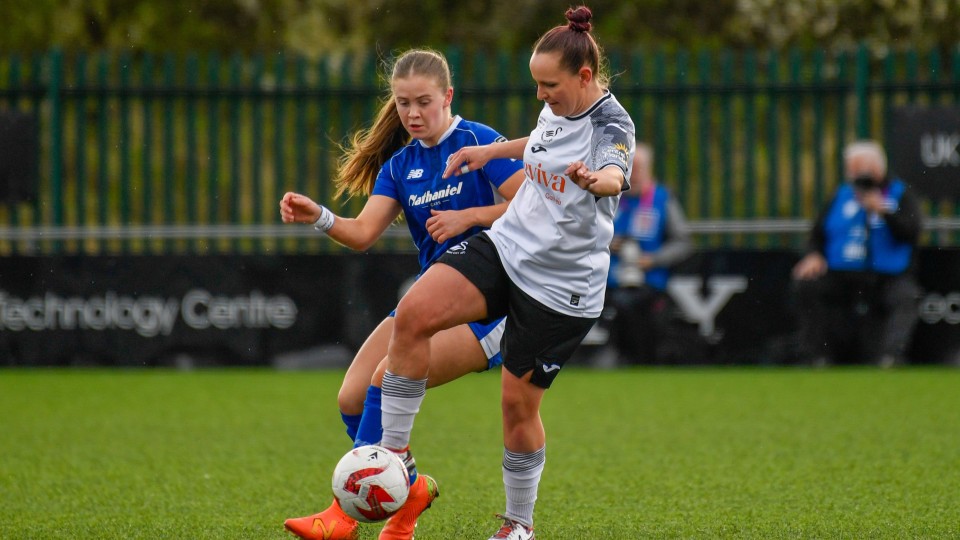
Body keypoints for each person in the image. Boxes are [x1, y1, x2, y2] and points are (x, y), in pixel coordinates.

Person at [375, 7, 635, 539]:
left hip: (561, 288)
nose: (541, 95)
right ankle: (393, 458)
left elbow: (615, 168)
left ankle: (519, 526)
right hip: (507, 245)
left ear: (584, 78)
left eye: (549, 85)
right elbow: (541, 140)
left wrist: (600, 181)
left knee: (516, 408)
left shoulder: (613, 124)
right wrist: (489, 150)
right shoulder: (557, 105)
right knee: (416, 313)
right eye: (536, 84)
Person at [279, 48, 525, 540]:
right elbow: (363, 232)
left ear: (448, 97)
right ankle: (409, 493)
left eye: (424, 102)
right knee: (350, 398)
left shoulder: (478, 142)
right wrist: (321, 217)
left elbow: (532, 207)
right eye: (403, 103)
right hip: (430, 302)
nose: (412, 114)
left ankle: (341, 516)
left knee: (381, 378)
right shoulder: (400, 165)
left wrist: (472, 217)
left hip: (490, 304)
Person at [791, 140, 923, 368]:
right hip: (841, 273)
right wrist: (814, 254)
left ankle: (890, 357)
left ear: (877, 168)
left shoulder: (900, 195)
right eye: (850, 170)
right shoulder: (841, 196)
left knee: (906, 296)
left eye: (858, 169)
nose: (853, 175)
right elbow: (817, 234)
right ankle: (818, 357)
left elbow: (911, 232)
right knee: (807, 286)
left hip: (888, 274)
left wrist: (884, 212)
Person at [604, 141, 692, 364]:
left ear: (649, 169)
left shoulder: (663, 200)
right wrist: (607, 242)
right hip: (608, 280)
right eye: (629, 168)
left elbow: (683, 242)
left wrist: (653, 260)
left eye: (638, 168)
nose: (633, 174)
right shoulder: (610, 199)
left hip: (649, 283)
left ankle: (637, 358)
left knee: (630, 305)